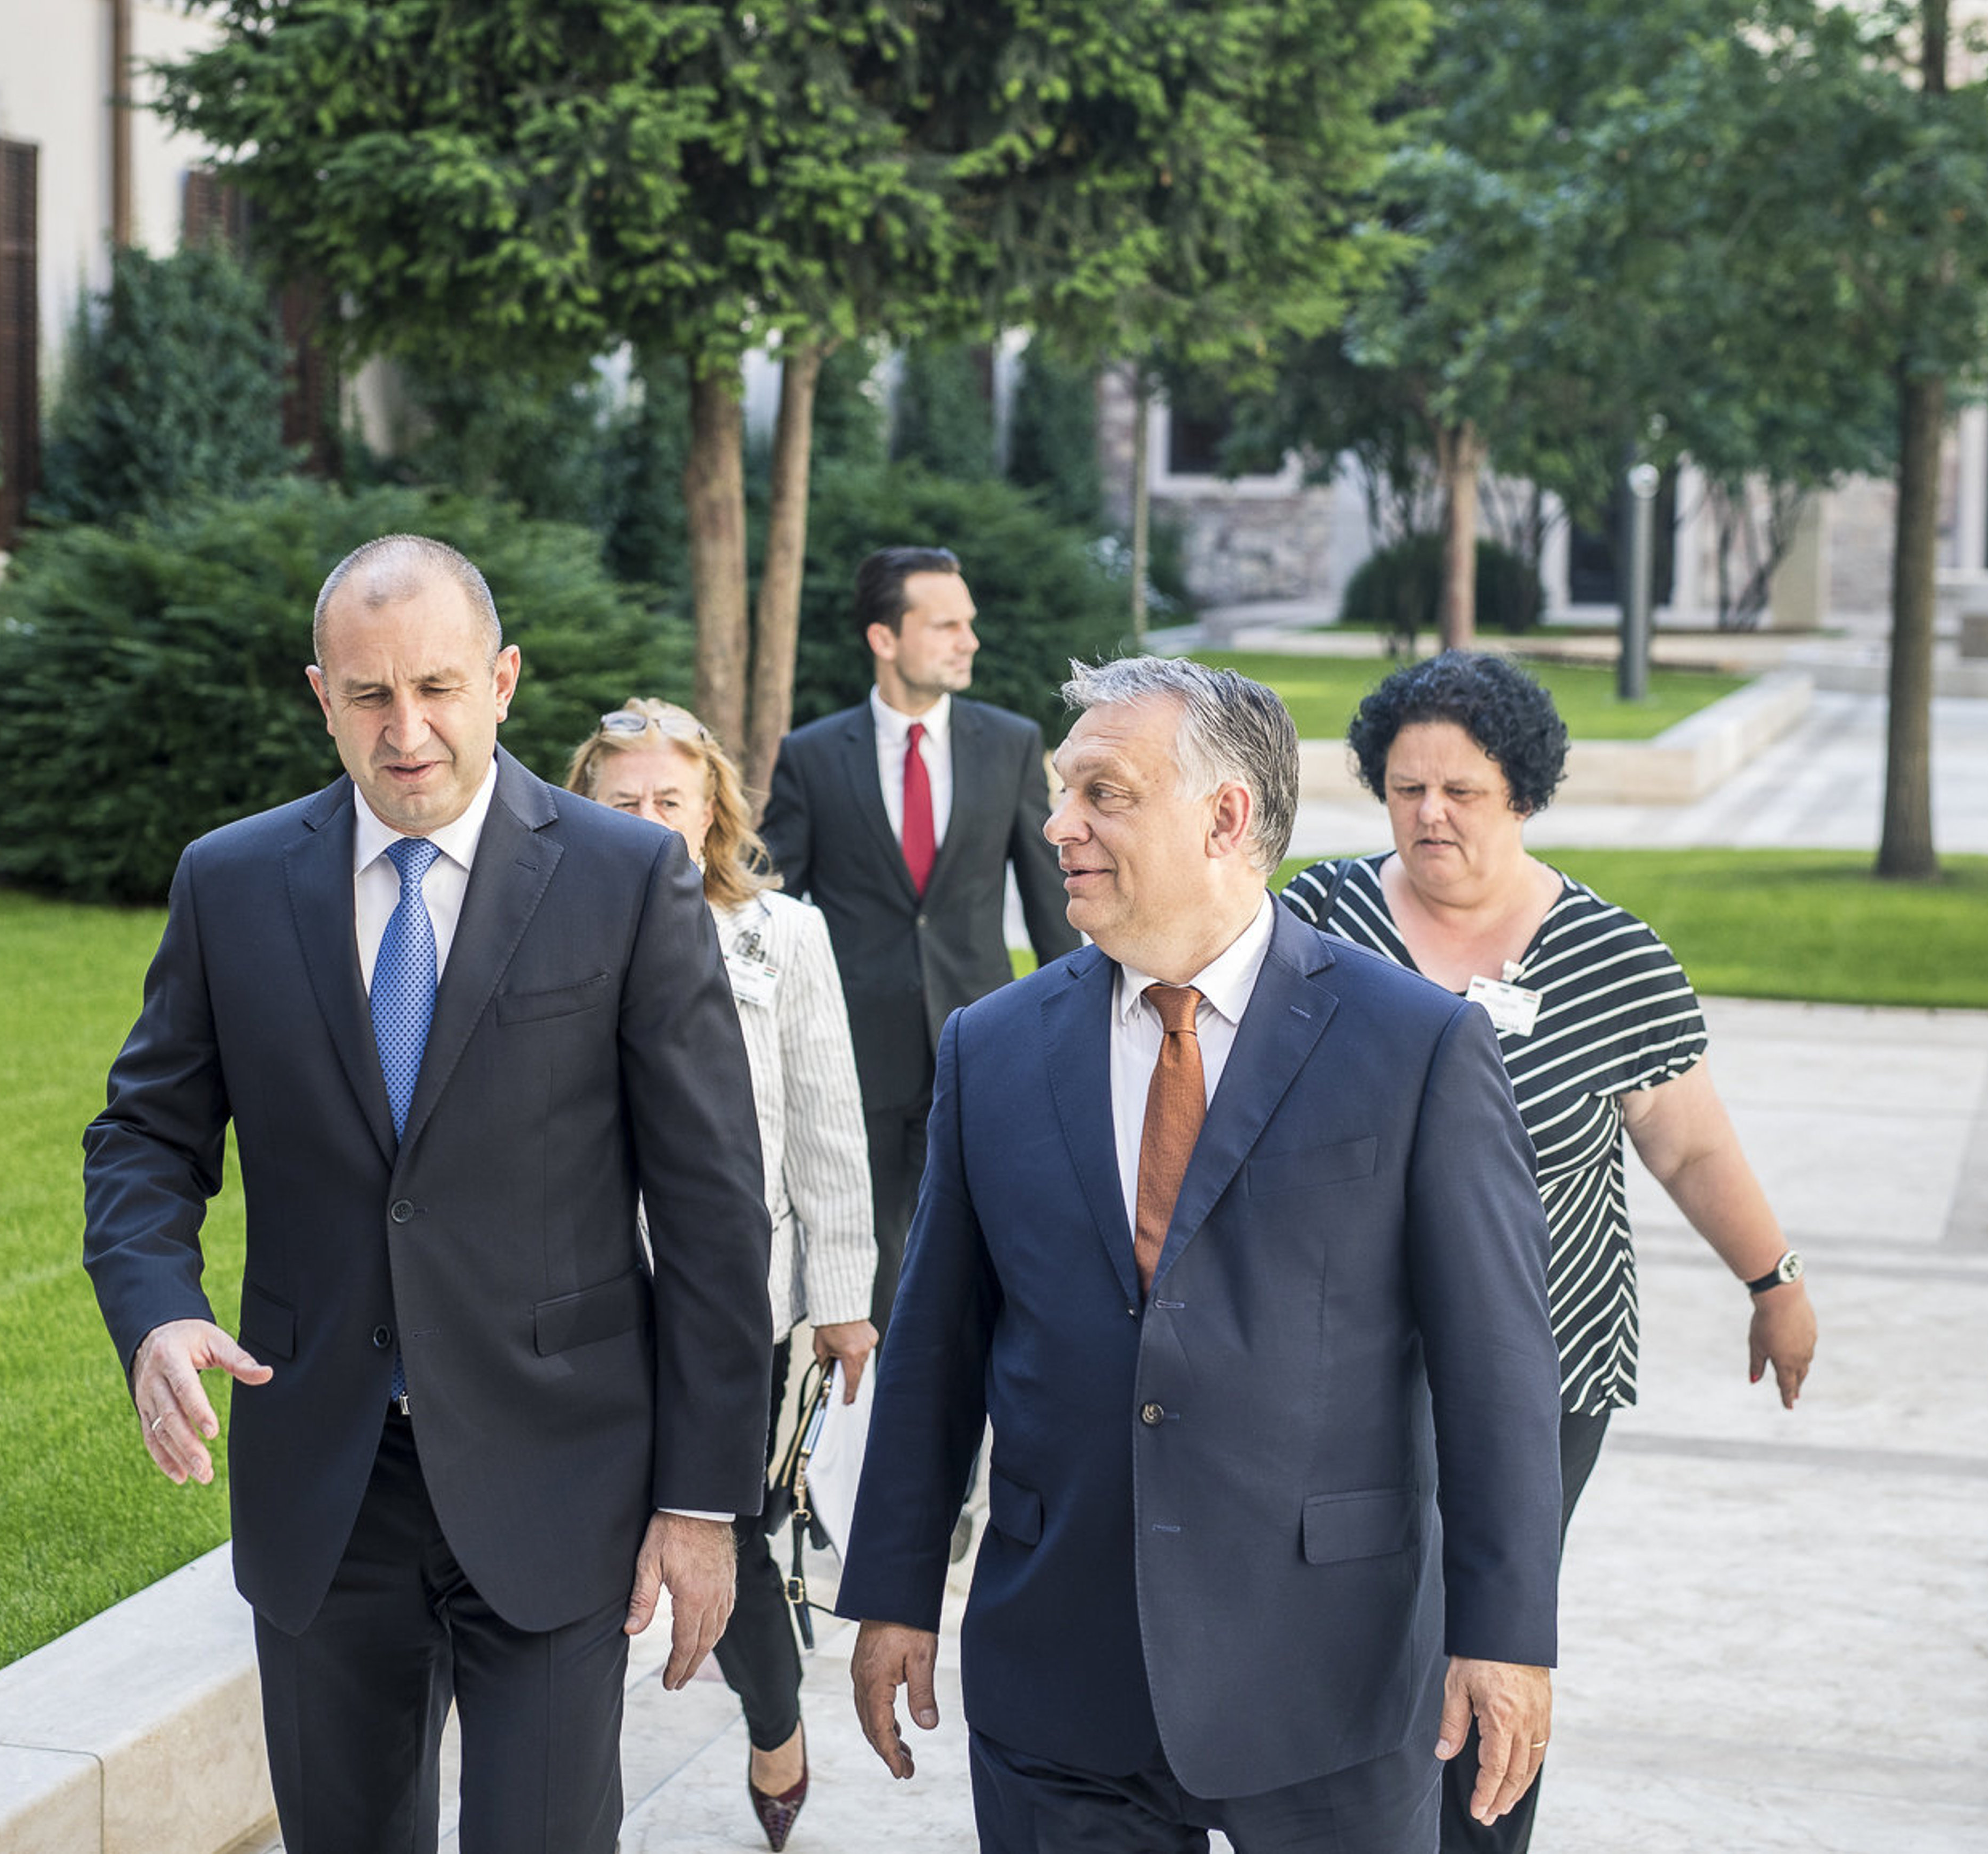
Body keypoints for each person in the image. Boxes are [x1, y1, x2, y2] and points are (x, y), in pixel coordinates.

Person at [80, 536, 774, 1854]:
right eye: (369, 695)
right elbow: (143, 1135)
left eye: (438, 688)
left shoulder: (626, 879)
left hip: (560, 1475)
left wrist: (700, 1501)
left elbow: (710, 1208)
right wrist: (156, 1309)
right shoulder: (231, 883)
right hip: (324, 1488)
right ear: (321, 697)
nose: (406, 733)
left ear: (501, 682)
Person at [839, 655, 1567, 1851]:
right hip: (1060, 1670)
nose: (1058, 825)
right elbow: (935, 1352)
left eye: (1103, 794)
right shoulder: (991, 1045)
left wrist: (1504, 1636)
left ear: (1226, 817)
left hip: (1331, 1676)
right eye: (1063, 792)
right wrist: (893, 1591)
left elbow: (1496, 1367)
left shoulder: (1415, 1046)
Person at [1278, 648, 1819, 1854]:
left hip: (1544, 1364)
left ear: (1520, 793)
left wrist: (1772, 1282)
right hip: (1343, 1356)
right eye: (1405, 788)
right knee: (1354, 1622)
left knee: (1489, 1620)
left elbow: (1688, 1147)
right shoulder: (1317, 922)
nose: (1429, 814)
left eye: (1460, 791)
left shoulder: (1610, 958)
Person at [565, 698, 880, 1851]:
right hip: (587, 1299)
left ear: (711, 813)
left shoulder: (782, 936)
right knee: (583, 1532)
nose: (649, 821)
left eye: (671, 800)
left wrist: (842, 1303)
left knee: (727, 1530)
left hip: (741, 1303)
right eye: (624, 802)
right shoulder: (544, 926)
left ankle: (773, 1719)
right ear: (583, 810)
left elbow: (827, 1121)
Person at [761, 545, 1080, 1330]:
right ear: (884, 637)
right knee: (868, 1264)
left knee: (986, 1256)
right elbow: (770, 907)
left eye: (968, 623)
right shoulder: (811, 755)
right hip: (853, 1054)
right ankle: (870, 1404)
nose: (970, 640)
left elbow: (1051, 902)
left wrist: (1076, 1028)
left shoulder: (1009, 743)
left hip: (980, 1045)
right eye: (945, 626)